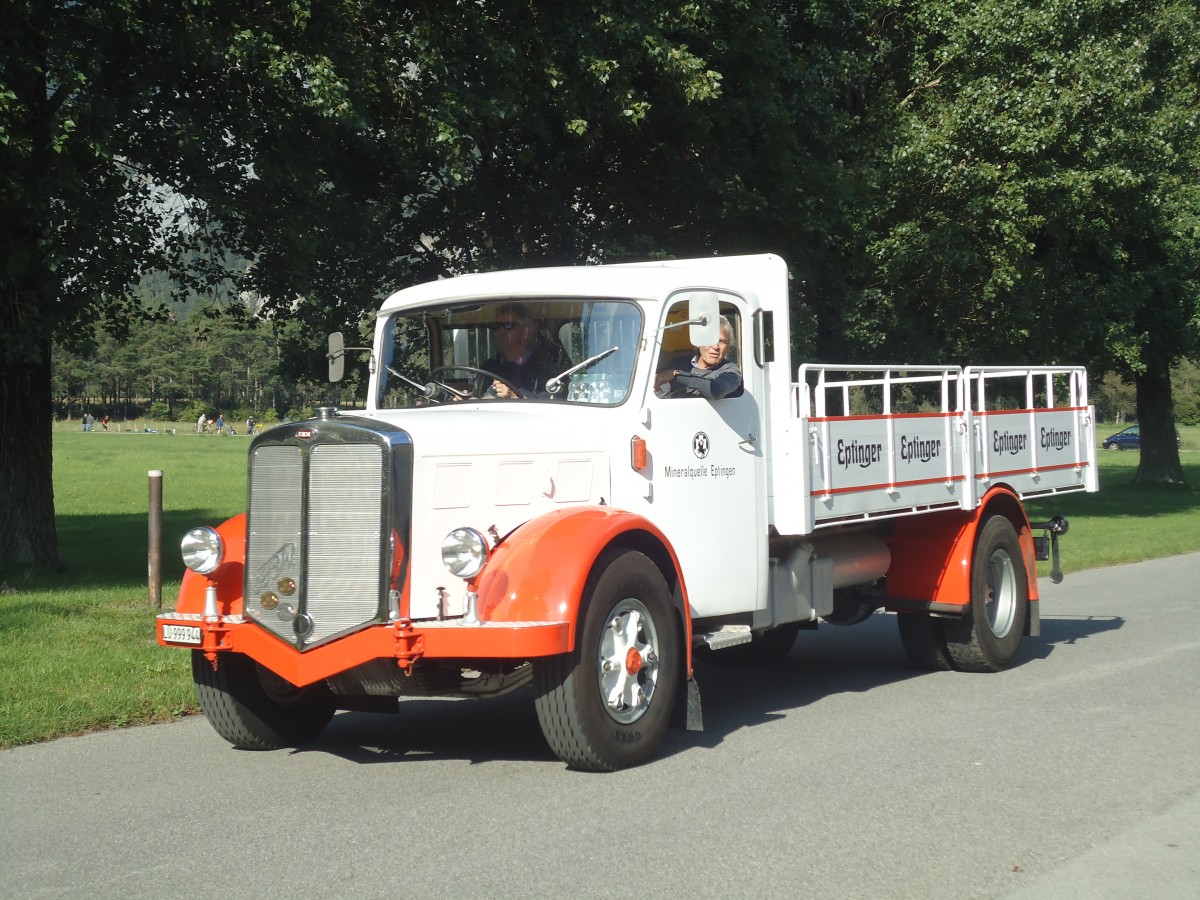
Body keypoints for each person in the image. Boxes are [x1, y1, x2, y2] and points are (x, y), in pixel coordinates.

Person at [482, 303, 564, 399]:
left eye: (508, 325)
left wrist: (513, 396)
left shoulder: (544, 368)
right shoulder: (488, 367)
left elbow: (549, 406)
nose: (500, 332)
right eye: (497, 326)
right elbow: (477, 398)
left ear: (525, 332)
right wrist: (463, 397)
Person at [654, 315, 742, 400]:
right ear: (698, 342)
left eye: (722, 341)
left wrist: (676, 375)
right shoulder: (676, 364)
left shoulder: (732, 372)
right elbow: (659, 397)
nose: (716, 347)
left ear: (728, 347)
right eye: (711, 339)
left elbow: (715, 390)